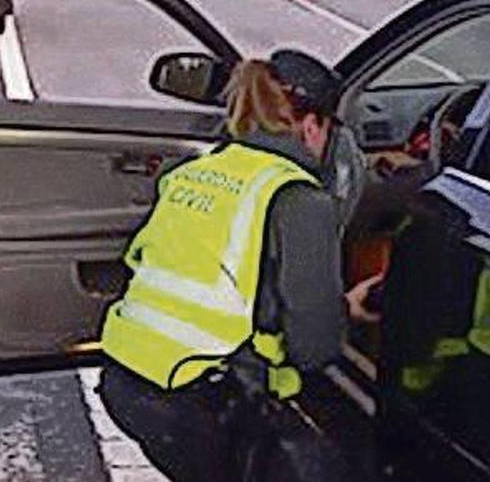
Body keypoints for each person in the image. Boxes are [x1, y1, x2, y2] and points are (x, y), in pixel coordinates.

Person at [97, 49, 380, 482]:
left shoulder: (192, 170)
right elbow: (314, 347)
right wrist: (348, 309)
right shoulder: (301, 202)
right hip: (203, 405)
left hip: (128, 382)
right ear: (311, 126)